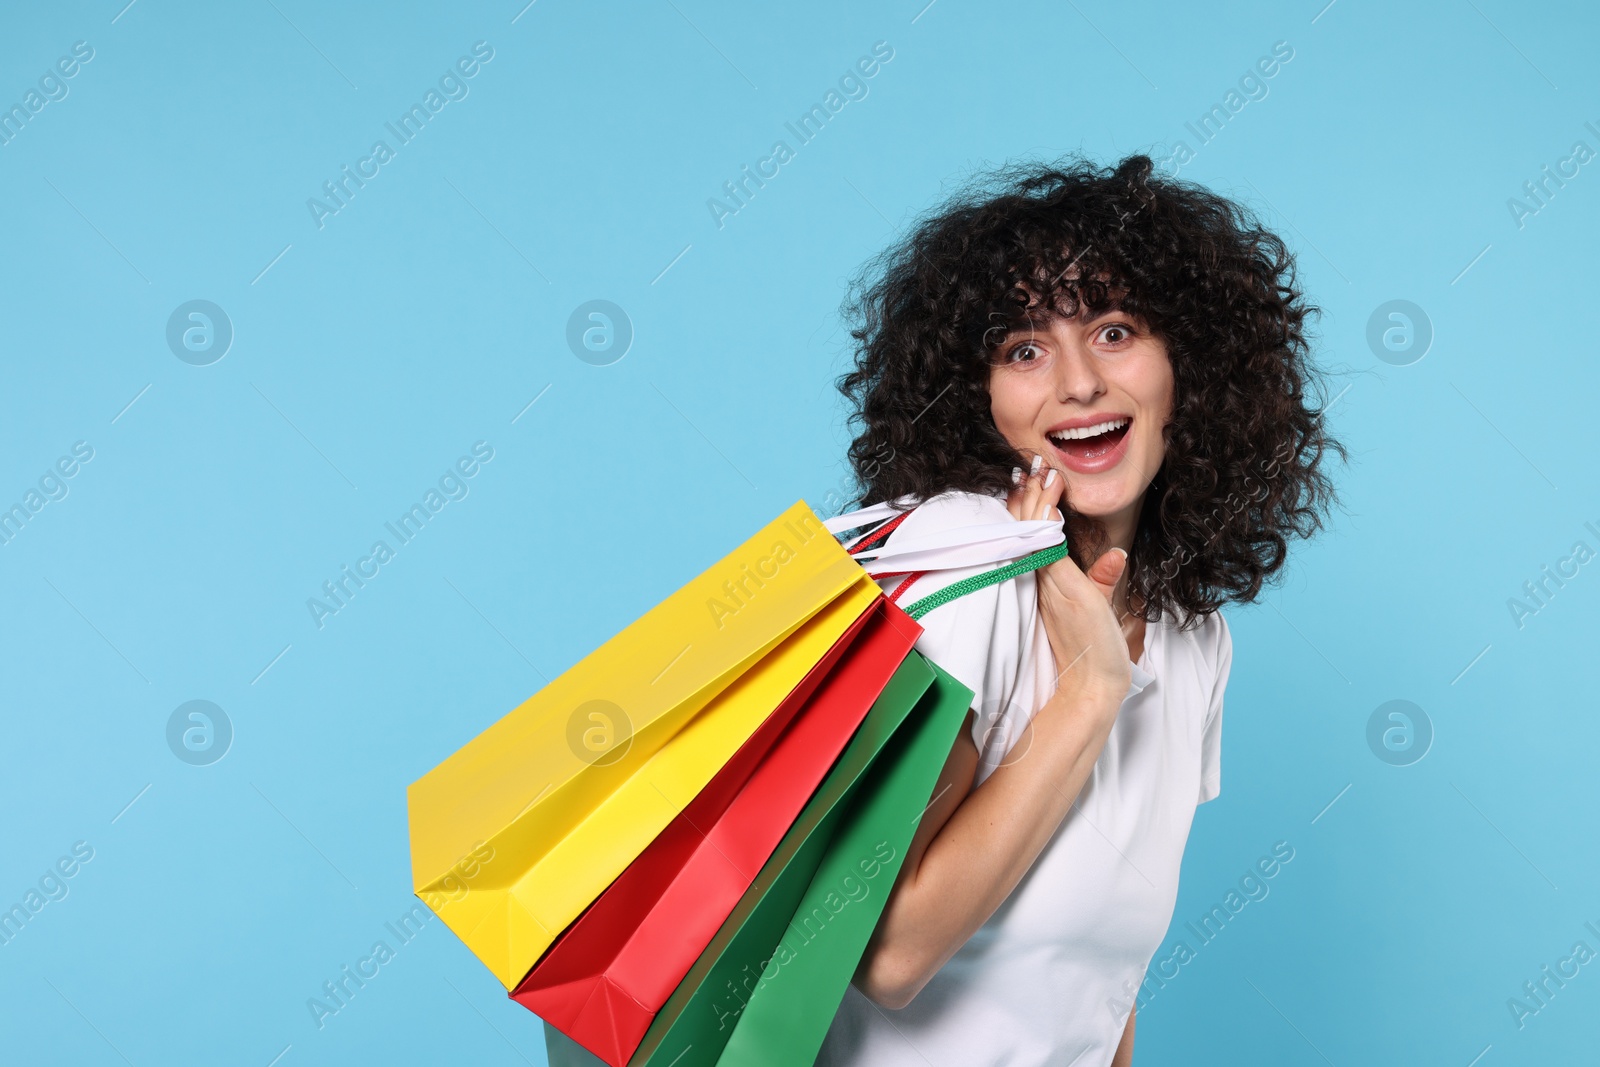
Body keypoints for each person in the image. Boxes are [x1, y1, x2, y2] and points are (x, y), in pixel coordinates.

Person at [817, 155, 1345, 1067]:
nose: (1078, 383)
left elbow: (1101, 989)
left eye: (1114, 330)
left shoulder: (1194, 637)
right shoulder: (966, 572)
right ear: (978, 397)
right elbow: (890, 954)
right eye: (1024, 348)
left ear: (1191, 364)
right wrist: (1093, 689)